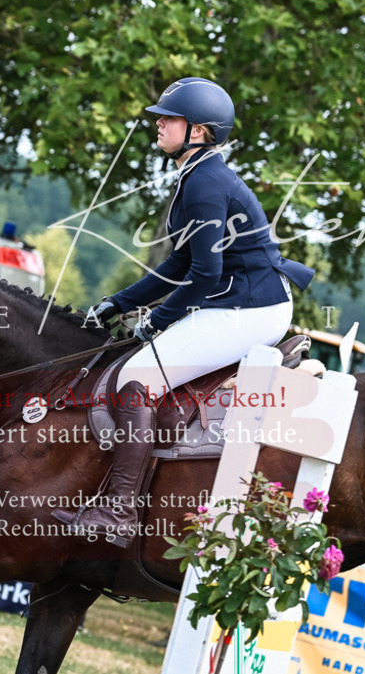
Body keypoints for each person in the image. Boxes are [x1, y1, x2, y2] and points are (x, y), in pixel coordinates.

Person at [52, 77, 314, 547]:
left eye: (168, 118)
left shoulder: (206, 182)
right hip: (237, 299)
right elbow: (180, 262)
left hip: (250, 307)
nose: (158, 124)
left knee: (136, 379)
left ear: (198, 131)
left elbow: (207, 274)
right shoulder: (197, 175)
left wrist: (160, 318)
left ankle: (119, 511)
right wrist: (121, 302)